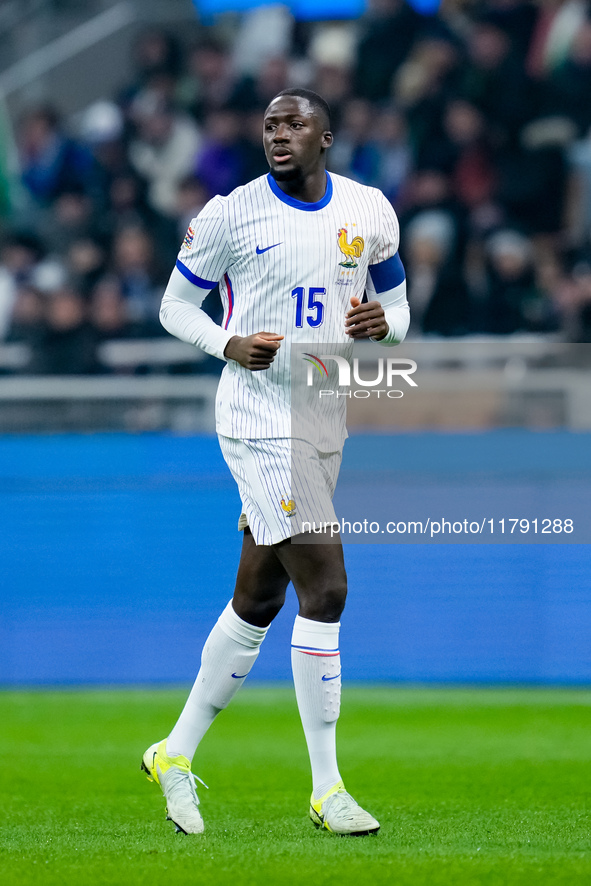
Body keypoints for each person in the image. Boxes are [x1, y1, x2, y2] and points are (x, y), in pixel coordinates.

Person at [141, 88, 410, 836]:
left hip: (324, 410)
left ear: (327, 136)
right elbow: (174, 306)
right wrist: (227, 342)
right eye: (268, 125)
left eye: (294, 123)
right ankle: (328, 789)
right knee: (325, 588)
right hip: (260, 416)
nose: (278, 133)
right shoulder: (230, 212)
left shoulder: (370, 210)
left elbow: (400, 311)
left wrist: (383, 327)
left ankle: (174, 752)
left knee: (257, 600)